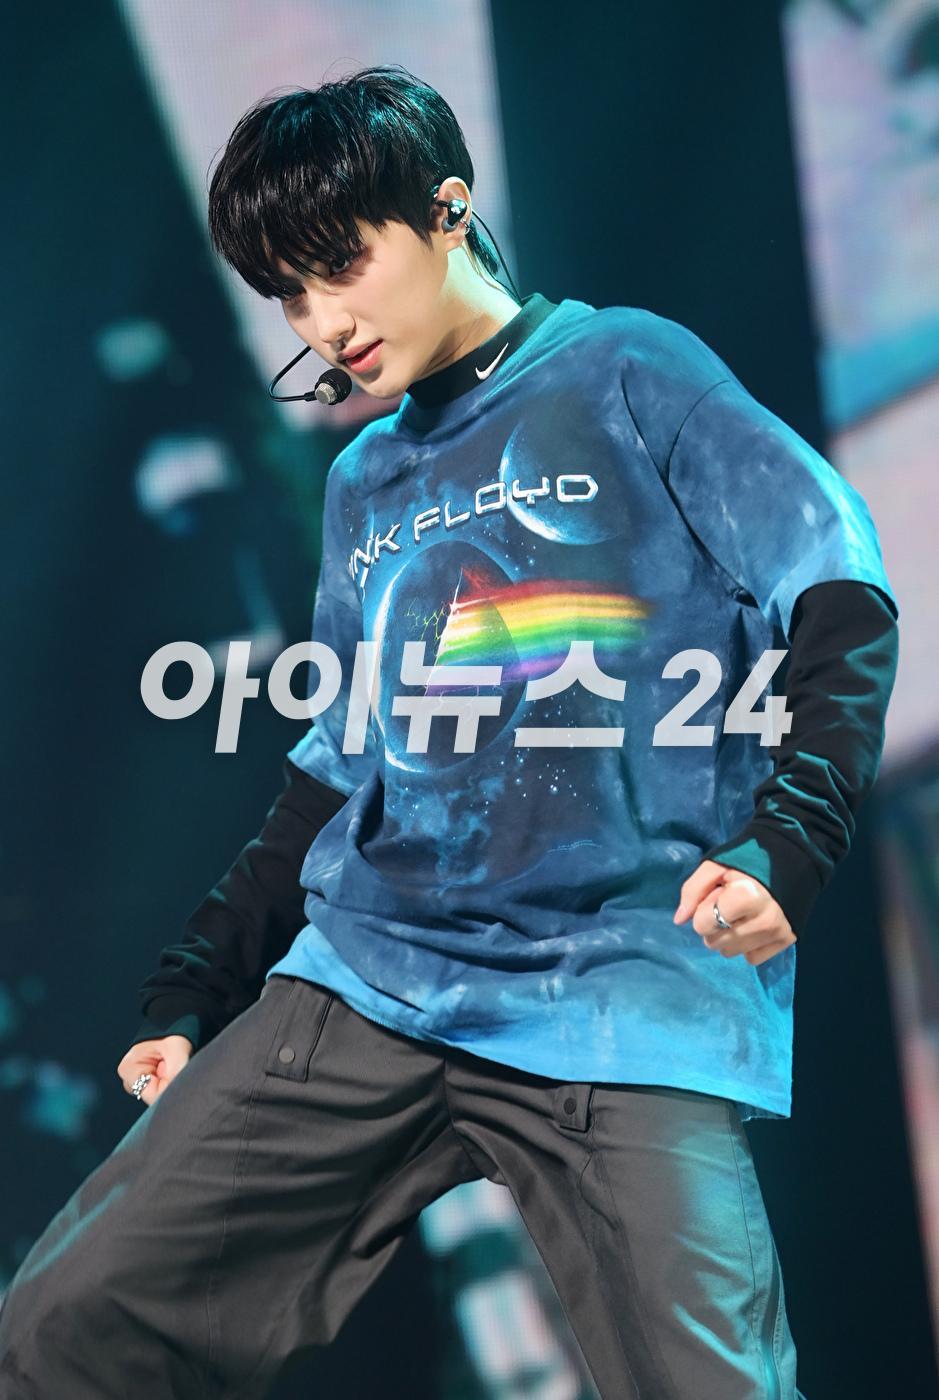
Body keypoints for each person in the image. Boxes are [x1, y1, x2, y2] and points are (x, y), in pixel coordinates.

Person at [0, 67, 897, 1400]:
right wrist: (199, 986)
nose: (324, 322)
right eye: (289, 295)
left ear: (447, 208)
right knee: (63, 1326)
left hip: (618, 989)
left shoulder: (626, 368)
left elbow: (838, 586)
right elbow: (339, 769)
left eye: (340, 265)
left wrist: (792, 843)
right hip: (375, 981)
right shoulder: (363, 482)